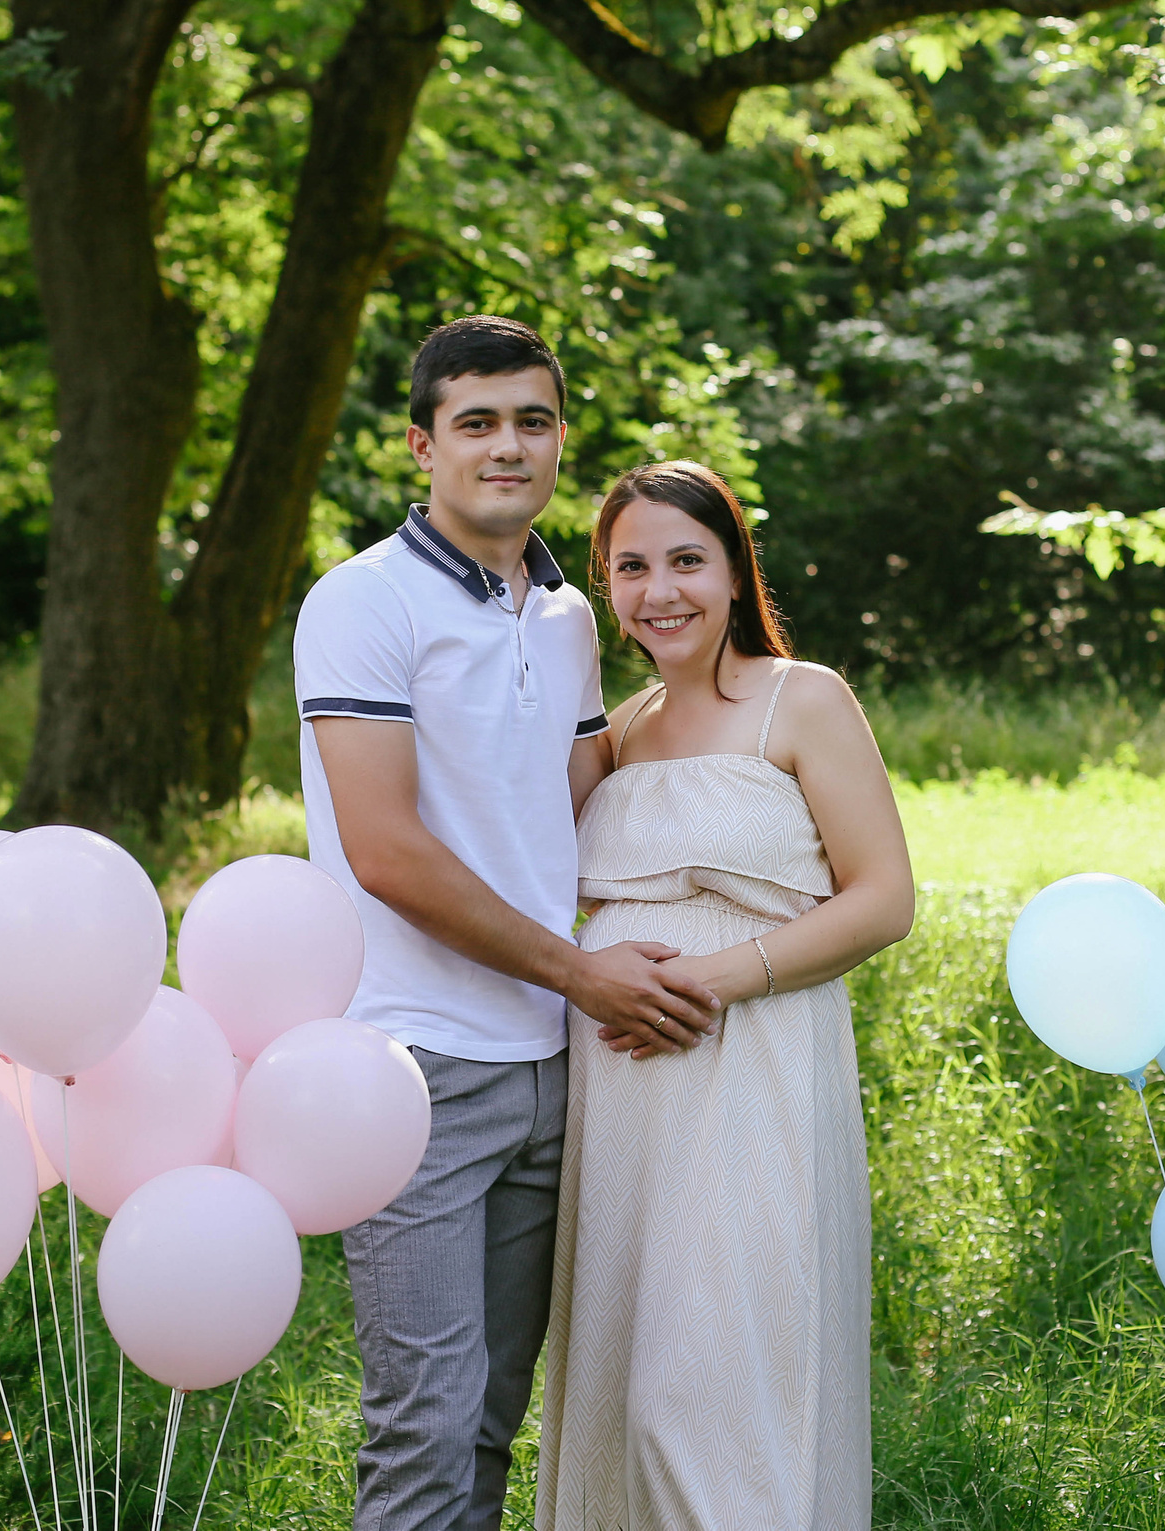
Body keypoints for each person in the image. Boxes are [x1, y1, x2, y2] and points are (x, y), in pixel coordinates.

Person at [294, 317, 725, 1531]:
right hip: (411, 1066)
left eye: (532, 421)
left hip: (553, 1063)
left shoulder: (567, 616)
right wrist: (583, 972)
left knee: (491, 1419)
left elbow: (585, 805)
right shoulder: (361, 602)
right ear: (421, 444)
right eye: (475, 422)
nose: (507, 446)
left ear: (559, 439)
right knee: (424, 1428)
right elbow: (386, 853)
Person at [535, 460, 917, 1530]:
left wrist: (708, 979)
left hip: (751, 1063)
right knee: (622, 1380)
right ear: (606, 589)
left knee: (706, 1388)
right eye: (631, 567)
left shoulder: (804, 699)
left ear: (737, 573)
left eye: (687, 561)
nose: (660, 590)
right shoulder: (618, 729)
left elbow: (884, 897)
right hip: (622, 1099)